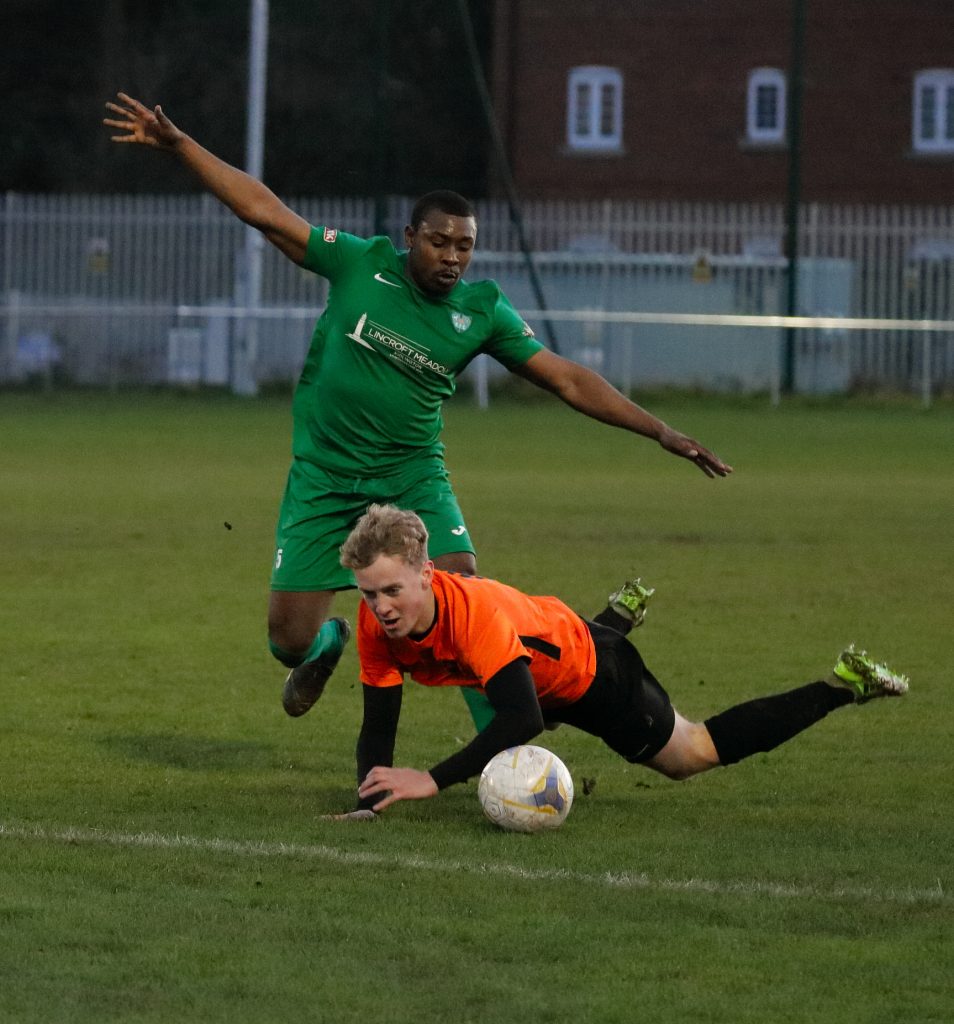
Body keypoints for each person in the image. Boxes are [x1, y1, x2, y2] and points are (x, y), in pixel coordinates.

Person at [103, 92, 733, 726]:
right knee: (286, 640)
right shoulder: (360, 263)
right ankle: (326, 646)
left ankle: (509, 749)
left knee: (462, 591)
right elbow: (265, 212)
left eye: (464, 246)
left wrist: (660, 430)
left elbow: (565, 379)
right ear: (410, 238)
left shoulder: (481, 310)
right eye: (439, 242)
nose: (453, 257)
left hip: (412, 476)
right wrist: (180, 144)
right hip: (323, 476)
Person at [334, 504, 909, 819]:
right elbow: (379, 717)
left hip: (594, 677)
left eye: (393, 591)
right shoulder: (375, 624)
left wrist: (431, 780)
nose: (381, 607)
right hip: (545, 645)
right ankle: (618, 614)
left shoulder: (475, 616)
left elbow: (522, 721)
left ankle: (841, 683)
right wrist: (369, 801)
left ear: (429, 574)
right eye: (369, 594)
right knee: (535, 668)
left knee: (690, 754)